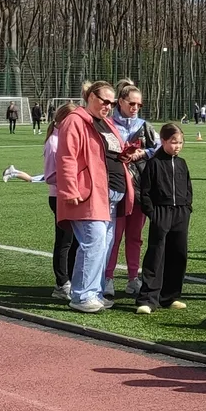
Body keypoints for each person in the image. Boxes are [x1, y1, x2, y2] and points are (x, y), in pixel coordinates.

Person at [55, 81, 131, 313]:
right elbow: (66, 157)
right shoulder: (75, 121)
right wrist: (70, 190)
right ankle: (82, 295)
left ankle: (94, 292)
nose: (108, 106)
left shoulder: (105, 123)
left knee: (103, 245)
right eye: (104, 101)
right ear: (90, 97)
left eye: (112, 103)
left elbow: (112, 152)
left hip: (111, 195)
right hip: (89, 194)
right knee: (93, 243)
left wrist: (127, 153)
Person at [134, 123, 194, 314]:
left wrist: (187, 208)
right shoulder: (154, 163)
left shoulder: (182, 163)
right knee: (156, 255)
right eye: (173, 142)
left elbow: (188, 188)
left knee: (178, 254)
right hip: (161, 212)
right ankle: (148, 298)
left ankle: (171, 296)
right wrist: (152, 213)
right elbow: (145, 191)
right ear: (163, 141)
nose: (177, 146)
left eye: (180, 143)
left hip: (180, 213)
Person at [107, 84, 158, 299]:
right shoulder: (108, 125)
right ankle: (107, 278)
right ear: (120, 102)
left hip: (139, 189)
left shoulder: (145, 126)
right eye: (131, 103)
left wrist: (143, 153)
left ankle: (132, 279)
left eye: (139, 104)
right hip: (115, 187)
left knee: (135, 236)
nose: (135, 107)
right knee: (113, 236)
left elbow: (159, 148)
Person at [42, 103, 78, 299]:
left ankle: (71, 279)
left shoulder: (67, 139)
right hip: (59, 196)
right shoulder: (54, 143)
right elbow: (50, 176)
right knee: (65, 241)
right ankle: (61, 283)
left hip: (72, 195)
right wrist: (73, 177)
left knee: (75, 242)